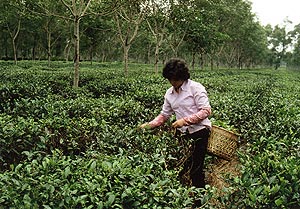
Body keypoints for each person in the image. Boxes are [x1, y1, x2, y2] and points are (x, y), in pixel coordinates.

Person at [140, 58, 211, 188]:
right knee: (182, 166)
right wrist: (150, 125)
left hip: (199, 132)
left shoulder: (195, 88)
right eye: (170, 79)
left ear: (183, 77)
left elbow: (206, 111)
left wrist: (184, 121)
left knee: (196, 169)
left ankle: (199, 199)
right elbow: (164, 115)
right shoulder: (169, 93)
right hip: (183, 134)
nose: (173, 82)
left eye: (176, 79)